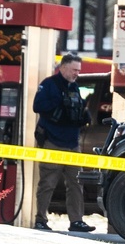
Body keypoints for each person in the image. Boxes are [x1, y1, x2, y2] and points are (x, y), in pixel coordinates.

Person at [32, 53, 94, 232]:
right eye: (74, 70)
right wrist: (60, 101)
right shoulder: (49, 84)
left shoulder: (74, 87)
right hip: (52, 142)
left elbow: (78, 111)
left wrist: (84, 115)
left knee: (76, 183)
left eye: (79, 71)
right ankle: (41, 220)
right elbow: (38, 106)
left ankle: (76, 221)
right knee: (48, 183)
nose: (77, 74)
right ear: (63, 68)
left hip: (72, 144)